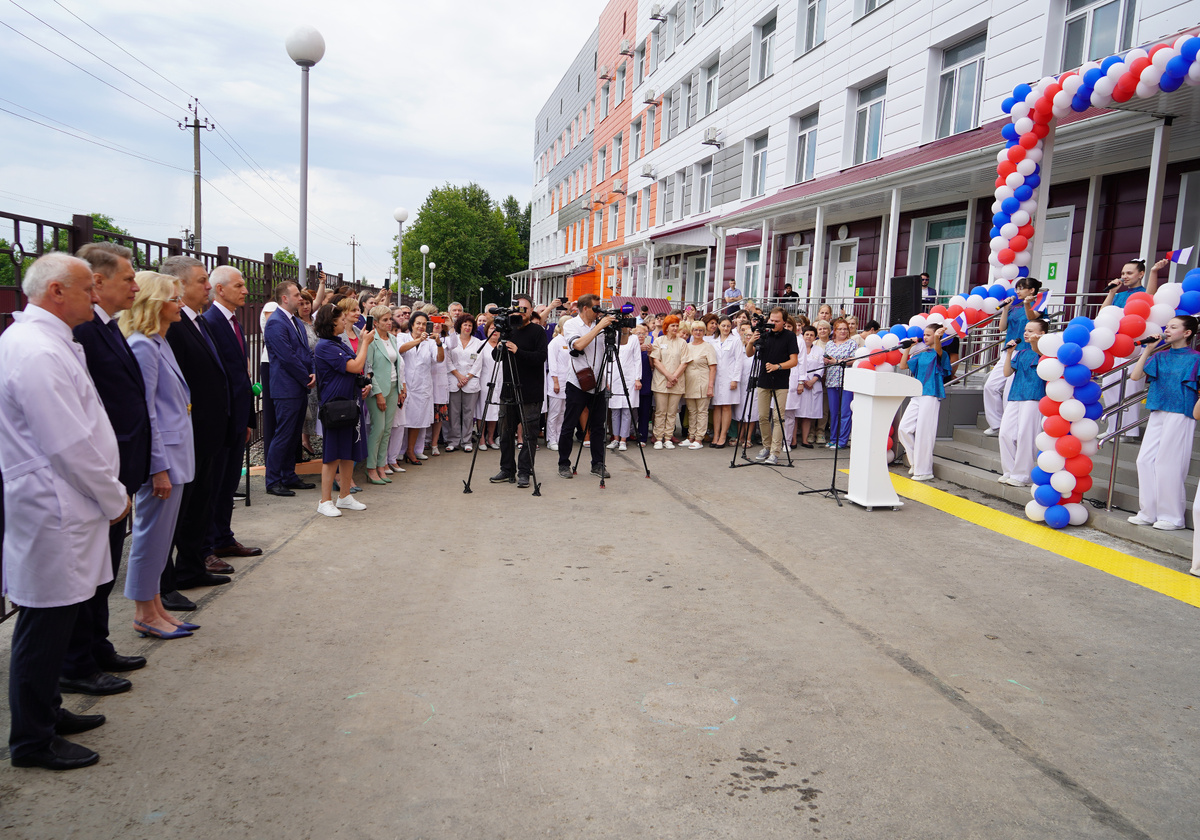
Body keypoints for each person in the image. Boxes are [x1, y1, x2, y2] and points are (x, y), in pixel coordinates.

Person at [0, 253, 130, 770]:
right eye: (86, 289)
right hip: (54, 503)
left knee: (61, 614)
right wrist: (112, 494)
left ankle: (48, 713)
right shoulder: (35, 351)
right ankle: (32, 740)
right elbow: (68, 442)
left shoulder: (48, 342)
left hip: (66, 501)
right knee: (44, 622)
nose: (95, 297)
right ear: (56, 291)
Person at [62, 242, 149, 696]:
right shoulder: (84, 334)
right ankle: (77, 662)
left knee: (104, 568)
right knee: (90, 574)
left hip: (119, 468)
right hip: (96, 476)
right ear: (98, 282)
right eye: (128, 278)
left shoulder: (106, 326)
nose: (135, 285)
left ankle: (97, 646)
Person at [120, 272, 197, 639]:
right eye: (174, 299)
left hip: (176, 453)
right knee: (150, 538)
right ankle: (142, 612)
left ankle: (156, 608)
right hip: (161, 460)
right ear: (155, 303)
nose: (180, 305)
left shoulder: (160, 342)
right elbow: (146, 411)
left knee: (161, 539)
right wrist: (157, 467)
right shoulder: (143, 346)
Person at [159, 256, 234, 604]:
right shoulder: (171, 328)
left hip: (207, 432)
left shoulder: (197, 322)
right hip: (188, 433)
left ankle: (191, 567)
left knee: (200, 504)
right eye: (202, 280)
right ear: (178, 285)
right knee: (178, 512)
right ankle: (164, 582)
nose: (208, 286)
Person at [201, 266, 261, 572]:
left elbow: (241, 377)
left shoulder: (234, 323)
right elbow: (216, 378)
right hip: (220, 420)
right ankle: (208, 543)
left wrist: (248, 418)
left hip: (237, 418)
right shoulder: (210, 322)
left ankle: (224, 536)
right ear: (220, 289)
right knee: (214, 485)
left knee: (228, 484)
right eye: (239, 285)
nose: (246, 290)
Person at [1127, 316, 1200, 530]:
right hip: (1158, 409)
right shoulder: (1161, 356)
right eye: (1167, 326)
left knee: (1169, 464)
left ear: (1187, 333)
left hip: (1181, 412)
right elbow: (1135, 376)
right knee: (1145, 460)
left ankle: (1172, 517)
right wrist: (1148, 349)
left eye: (1173, 327)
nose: (1167, 330)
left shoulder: (1196, 358)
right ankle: (1148, 512)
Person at [314, 303, 375, 517]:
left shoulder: (338, 343)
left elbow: (353, 371)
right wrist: (365, 343)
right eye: (340, 319)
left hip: (350, 402)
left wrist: (362, 384)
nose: (344, 322)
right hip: (336, 406)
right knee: (332, 455)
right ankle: (325, 500)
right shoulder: (324, 346)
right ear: (331, 323)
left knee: (349, 451)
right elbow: (355, 365)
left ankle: (345, 496)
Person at [263, 280, 316, 496]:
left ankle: (289, 476)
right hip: (286, 389)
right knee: (283, 434)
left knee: (293, 435)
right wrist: (305, 376)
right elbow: (287, 357)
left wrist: (312, 371)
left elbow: (305, 351)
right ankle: (273, 480)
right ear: (284, 298)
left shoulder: (294, 321)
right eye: (296, 295)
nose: (300, 299)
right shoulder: (276, 322)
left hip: (298, 386)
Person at [491, 295, 549, 488]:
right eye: (517, 308)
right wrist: (500, 346)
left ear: (531, 310)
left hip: (530, 392)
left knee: (530, 435)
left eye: (524, 308)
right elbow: (496, 357)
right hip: (508, 390)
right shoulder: (508, 329)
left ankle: (525, 472)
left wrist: (518, 351)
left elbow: (541, 357)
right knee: (505, 432)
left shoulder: (537, 331)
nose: (520, 312)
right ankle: (507, 469)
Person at [557, 294, 613, 479]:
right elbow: (578, 345)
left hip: (599, 382)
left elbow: (617, 345)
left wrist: (623, 328)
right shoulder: (572, 324)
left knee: (598, 426)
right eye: (595, 308)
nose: (598, 311)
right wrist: (599, 327)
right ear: (585, 308)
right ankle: (563, 464)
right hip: (577, 382)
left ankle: (597, 464)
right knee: (569, 424)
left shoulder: (601, 325)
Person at [983, 277, 1041, 436]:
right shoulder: (1014, 308)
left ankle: (1011, 427)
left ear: (1032, 290)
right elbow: (1002, 327)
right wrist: (1006, 309)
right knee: (990, 386)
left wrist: (1027, 304)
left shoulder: (1038, 305)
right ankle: (996, 423)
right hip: (1008, 350)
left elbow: (1031, 317)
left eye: (1021, 288)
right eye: (1017, 288)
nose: (1017, 291)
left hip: (1026, 352)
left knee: (1010, 389)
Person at [746, 307, 800, 465]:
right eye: (772, 320)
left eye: (777, 321)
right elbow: (749, 353)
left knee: (778, 417)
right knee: (762, 416)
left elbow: (794, 361)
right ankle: (766, 446)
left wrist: (778, 366)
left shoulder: (790, 336)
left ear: (784, 322)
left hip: (781, 381)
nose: (774, 323)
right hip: (763, 379)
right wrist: (751, 340)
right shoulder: (764, 334)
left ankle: (775, 451)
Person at [998, 318, 1048, 486]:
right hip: (1016, 395)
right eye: (1026, 330)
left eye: (1031, 331)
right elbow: (1006, 373)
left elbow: (1039, 351)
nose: (1026, 333)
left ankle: (1023, 475)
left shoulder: (1046, 351)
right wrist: (1010, 353)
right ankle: (1009, 471)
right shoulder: (1021, 352)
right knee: (1005, 433)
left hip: (1034, 396)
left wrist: (1036, 342)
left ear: (1042, 334)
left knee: (1025, 435)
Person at [897, 325, 950, 481]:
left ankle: (924, 470)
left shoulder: (940, 353)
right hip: (918, 394)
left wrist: (938, 338)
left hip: (931, 393)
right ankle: (915, 463)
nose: (925, 337)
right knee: (904, 428)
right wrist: (908, 347)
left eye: (928, 335)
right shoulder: (922, 353)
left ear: (936, 336)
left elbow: (939, 352)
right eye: (924, 335)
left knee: (924, 432)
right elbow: (903, 365)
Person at [365, 305, 405, 485]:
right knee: (378, 429)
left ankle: (382, 466)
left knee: (387, 430)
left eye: (390, 319)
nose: (390, 323)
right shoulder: (371, 340)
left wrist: (401, 388)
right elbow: (369, 369)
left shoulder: (392, 338)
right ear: (376, 322)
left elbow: (398, 364)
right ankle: (371, 468)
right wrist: (378, 393)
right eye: (385, 320)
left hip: (393, 387)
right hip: (378, 390)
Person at [399, 311, 444, 465]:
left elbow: (439, 359)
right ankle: (395, 454)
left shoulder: (430, 342)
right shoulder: (402, 337)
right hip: (404, 386)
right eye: (418, 323)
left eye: (424, 324)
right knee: (399, 422)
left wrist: (438, 344)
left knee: (416, 421)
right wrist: (418, 340)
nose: (421, 326)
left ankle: (411, 451)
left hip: (421, 387)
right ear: (411, 324)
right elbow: (401, 350)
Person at [446, 314, 484, 452]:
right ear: (459, 326)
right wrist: (458, 376)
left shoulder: (478, 343)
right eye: (465, 325)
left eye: (470, 325)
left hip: (470, 381)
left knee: (469, 413)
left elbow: (478, 363)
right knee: (454, 413)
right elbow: (447, 360)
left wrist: (466, 378)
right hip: (454, 380)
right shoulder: (451, 341)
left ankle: (466, 441)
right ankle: (453, 440)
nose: (467, 327)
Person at [649, 314, 688, 450]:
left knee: (672, 412)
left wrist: (674, 377)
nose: (675, 328)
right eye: (673, 325)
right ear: (666, 327)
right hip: (661, 381)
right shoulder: (659, 341)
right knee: (660, 411)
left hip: (677, 381)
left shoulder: (682, 343)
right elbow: (656, 361)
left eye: (677, 325)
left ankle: (668, 437)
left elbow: (684, 363)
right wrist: (668, 376)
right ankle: (658, 437)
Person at [785, 324, 824, 448]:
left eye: (812, 335)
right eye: (807, 334)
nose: (809, 337)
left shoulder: (819, 350)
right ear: (803, 335)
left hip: (812, 385)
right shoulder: (796, 346)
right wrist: (802, 381)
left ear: (815, 337)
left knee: (808, 415)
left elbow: (821, 366)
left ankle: (805, 440)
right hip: (798, 384)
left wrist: (812, 381)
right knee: (795, 413)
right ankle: (793, 440)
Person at [823, 318, 858, 449]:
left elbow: (853, 360)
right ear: (835, 331)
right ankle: (833, 438)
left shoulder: (852, 343)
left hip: (846, 381)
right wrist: (826, 361)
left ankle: (842, 440)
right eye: (840, 329)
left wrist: (836, 361)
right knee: (833, 412)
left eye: (845, 329)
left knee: (845, 412)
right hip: (832, 380)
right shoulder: (829, 344)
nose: (843, 331)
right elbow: (826, 358)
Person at [606, 324, 642, 451]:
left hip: (629, 378)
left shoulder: (634, 339)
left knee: (627, 410)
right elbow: (607, 359)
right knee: (615, 410)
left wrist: (637, 378)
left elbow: (637, 359)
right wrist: (606, 378)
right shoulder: (612, 338)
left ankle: (623, 440)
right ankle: (615, 438)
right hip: (614, 377)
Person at [683, 321, 718, 449]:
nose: (698, 332)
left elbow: (713, 368)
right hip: (689, 382)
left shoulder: (708, 347)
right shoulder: (687, 346)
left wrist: (710, 386)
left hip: (703, 381)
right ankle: (691, 436)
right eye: (695, 330)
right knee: (691, 411)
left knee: (702, 411)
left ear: (704, 332)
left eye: (701, 330)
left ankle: (699, 438)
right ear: (691, 332)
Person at [709, 316, 741, 448]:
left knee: (726, 406)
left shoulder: (736, 340)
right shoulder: (713, 341)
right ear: (718, 326)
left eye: (728, 326)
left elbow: (739, 361)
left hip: (729, 378)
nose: (726, 328)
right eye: (723, 325)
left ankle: (723, 435)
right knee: (716, 406)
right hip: (716, 378)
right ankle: (715, 435)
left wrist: (735, 379)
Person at [298, 289, 320, 459]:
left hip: (321, 368)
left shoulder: (316, 321)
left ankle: (310, 438)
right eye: (302, 303)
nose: (305, 306)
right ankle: (305, 440)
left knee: (316, 404)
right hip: (308, 369)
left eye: (308, 303)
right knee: (308, 406)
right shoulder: (298, 325)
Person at [545, 316, 569, 451]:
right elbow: (552, 363)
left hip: (568, 381)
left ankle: (559, 437)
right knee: (554, 412)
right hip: (557, 381)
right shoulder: (555, 342)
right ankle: (551, 439)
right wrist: (555, 381)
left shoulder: (571, 341)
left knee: (563, 413)